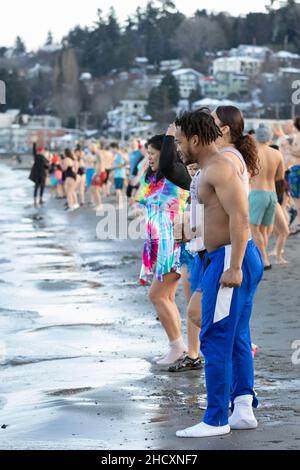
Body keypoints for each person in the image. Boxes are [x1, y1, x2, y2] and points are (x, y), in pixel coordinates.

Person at [173, 108, 263, 438]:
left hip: (229, 258)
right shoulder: (217, 163)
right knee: (237, 335)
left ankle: (215, 420)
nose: (179, 148)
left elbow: (240, 218)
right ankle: (241, 408)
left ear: (196, 139)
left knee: (215, 337)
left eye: (181, 141)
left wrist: (235, 266)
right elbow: (218, 215)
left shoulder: (220, 166)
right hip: (228, 255)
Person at [136, 134, 190, 366]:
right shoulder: (155, 177)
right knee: (166, 296)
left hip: (172, 243)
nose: (148, 158)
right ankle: (178, 347)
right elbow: (141, 198)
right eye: (147, 154)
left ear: (165, 154)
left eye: (152, 154)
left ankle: (177, 346)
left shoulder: (174, 175)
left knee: (156, 295)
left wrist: (170, 136)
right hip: (158, 243)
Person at [250, 124, 284, 269]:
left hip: (257, 193)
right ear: (270, 137)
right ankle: (261, 256)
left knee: (254, 228)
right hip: (272, 194)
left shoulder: (253, 152)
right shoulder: (277, 154)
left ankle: (264, 260)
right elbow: (280, 176)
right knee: (263, 229)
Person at [29, 137, 49, 208]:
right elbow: (34, 151)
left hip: (40, 174)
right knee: (40, 187)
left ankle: (38, 199)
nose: (43, 151)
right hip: (40, 174)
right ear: (40, 151)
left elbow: (47, 166)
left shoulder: (43, 157)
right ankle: (38, 199)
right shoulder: (37, 156)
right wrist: (34, 143)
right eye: (42, 150)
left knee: (38, 187)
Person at [288, 116, 300, 229]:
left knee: (296, 196)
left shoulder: (298, 137)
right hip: (296, 168)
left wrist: (290, 149)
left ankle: (298, 219)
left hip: (297, 169)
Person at [126, 138, 144, 203]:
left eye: (134, 144)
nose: (132, 145)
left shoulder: (140, 153)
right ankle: (135, 207)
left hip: (138, 175)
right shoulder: (130, 153)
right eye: (131, 144)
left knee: (134, 193)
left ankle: (137, 208)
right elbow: (130, 165)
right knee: (129, 193)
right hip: (131, 175)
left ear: (137, 144)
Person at [111, 142, 126, 209]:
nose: (111, 150)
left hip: (120, 174)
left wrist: (113, 167)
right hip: (117, 174)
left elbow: (122, 164)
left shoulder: (119, 154)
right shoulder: (117, 154)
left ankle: (120, 204)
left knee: (118, 189)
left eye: (112, 149)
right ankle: (119, 204)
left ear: (115, 148)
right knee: (117, 189)